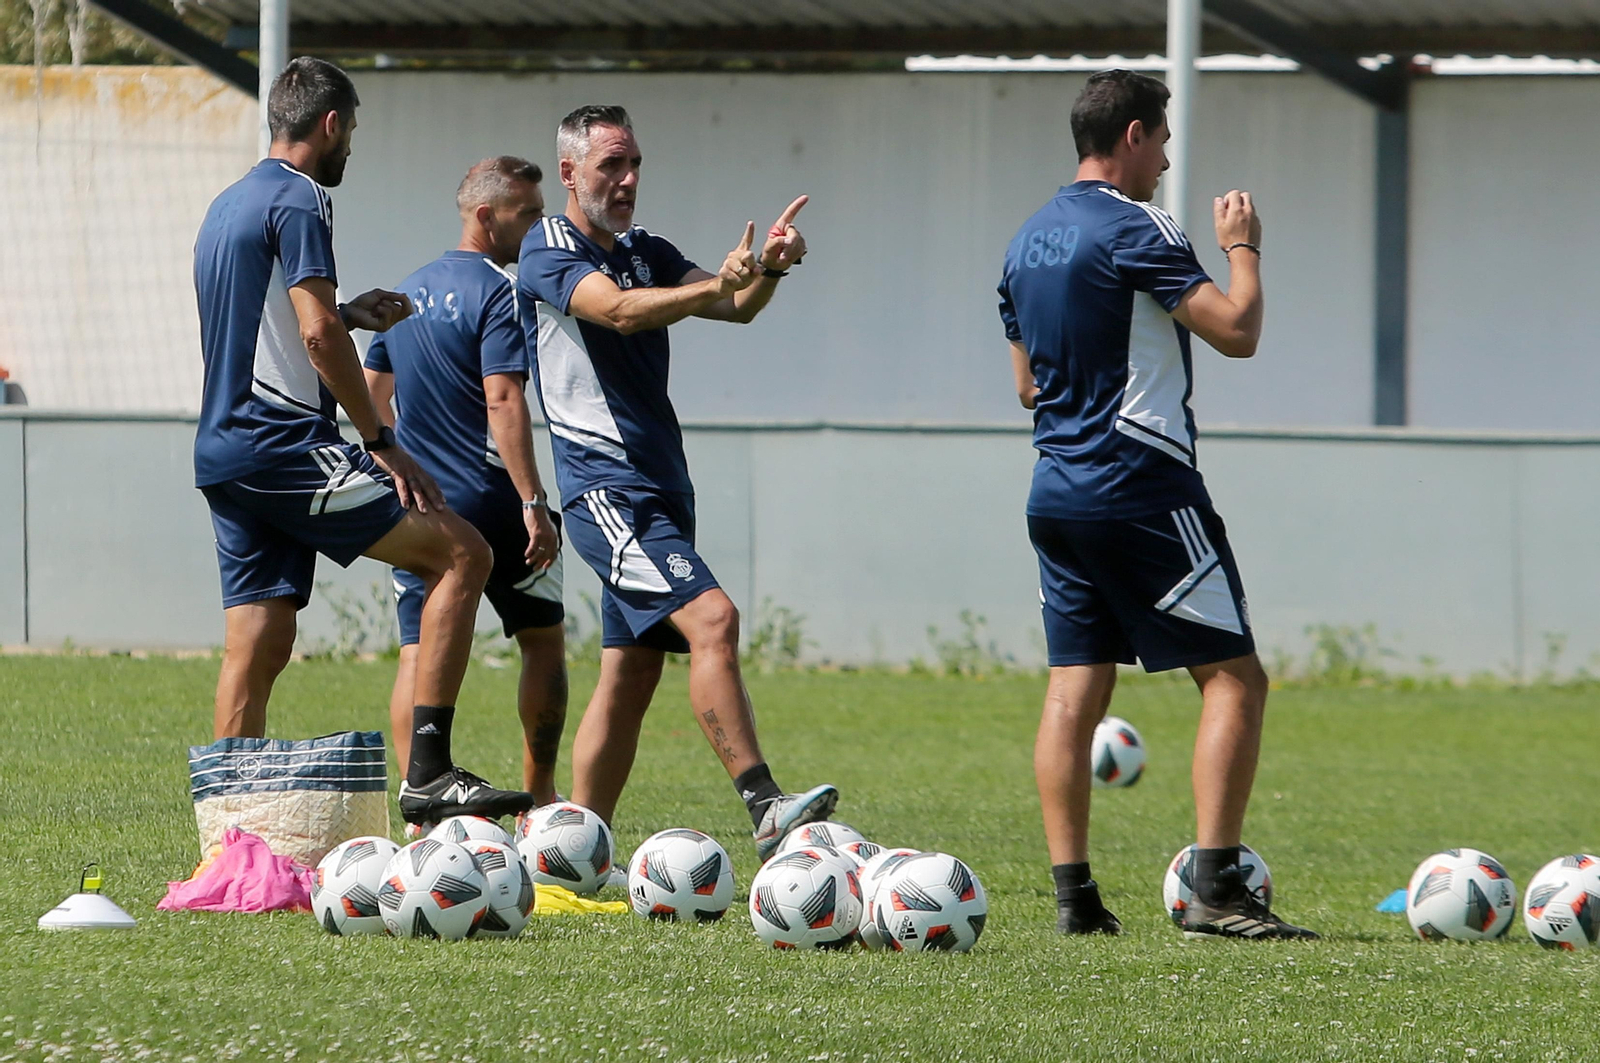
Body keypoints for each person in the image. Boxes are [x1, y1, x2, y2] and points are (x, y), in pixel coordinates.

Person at [997, 70, 1317, 940]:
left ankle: (1074, 900)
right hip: (1139, 483)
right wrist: (1242, 246)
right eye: (1164, 141)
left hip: (1054, 488)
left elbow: (1027, 385)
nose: (1168, 159)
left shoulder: (1025, 241)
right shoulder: (1137, 226)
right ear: (1133, 135)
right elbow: (1237, 332)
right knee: (1235, 679)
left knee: (1075, 688)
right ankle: (1215, 887)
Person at [192, 57, 532, 825]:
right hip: (282, 442)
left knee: (259, 635)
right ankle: (431, 771)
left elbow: (276, 323)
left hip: (223, 447)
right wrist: (380, 439)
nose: (352, 150)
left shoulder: (225, 204)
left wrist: (351, 314)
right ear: (331, 124)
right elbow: (313, 338)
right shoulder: (304, 197)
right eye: (354, 133)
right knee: (464, 553)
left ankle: (227, 842)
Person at [516, 104, 835, 859]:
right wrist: (716, 283)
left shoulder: (645, 247)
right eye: (609, 167)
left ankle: (572, 858)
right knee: (714, 620)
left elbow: (734, 307)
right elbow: (620, 312)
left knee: (631, 674)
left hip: (660, 489)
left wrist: (769, 270)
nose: (626, 181)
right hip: (607, 492)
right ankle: (765, 804)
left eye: (633, 167)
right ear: (569, 173)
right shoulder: (545, 248)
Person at [364, 156, 568, 822]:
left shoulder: (408, 289)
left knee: (416, 650)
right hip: (492, 505)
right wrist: (533, 501)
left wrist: (398, 468)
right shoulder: (502, 290)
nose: (538, 226)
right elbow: (504, 399)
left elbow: (371, 399)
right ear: (486, 216)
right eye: (528, 214)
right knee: (540, 638)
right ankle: (540, 800)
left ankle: (419, 808)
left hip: (419, 510)